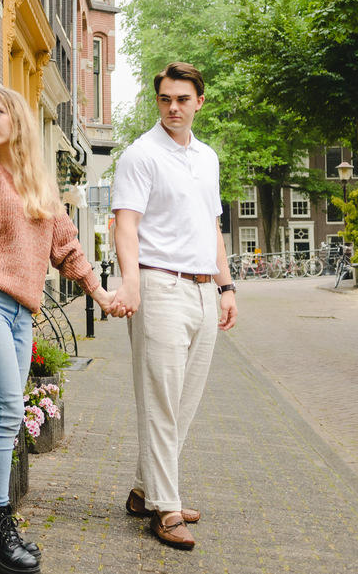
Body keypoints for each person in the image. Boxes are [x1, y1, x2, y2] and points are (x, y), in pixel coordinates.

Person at [0, 87, 115, 574]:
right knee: (5, 409)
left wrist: (100, 295)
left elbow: (66, 248)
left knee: (5, 411)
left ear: (18, 120)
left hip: (22, 312)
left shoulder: (38, 186)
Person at [108, 62, 238, 550]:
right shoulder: (140, 156)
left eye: (183, 99)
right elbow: (125, 224)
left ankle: (146, 491)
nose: (173, 108)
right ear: (157, 101)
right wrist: (131, 283)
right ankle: (166, 508)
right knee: (161, 400)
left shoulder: (208, 157)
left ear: (199, 102)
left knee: (185, 402)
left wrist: (227, 288)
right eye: (165, 99)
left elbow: (214, 228)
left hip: (206, 289)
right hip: (159, 286)